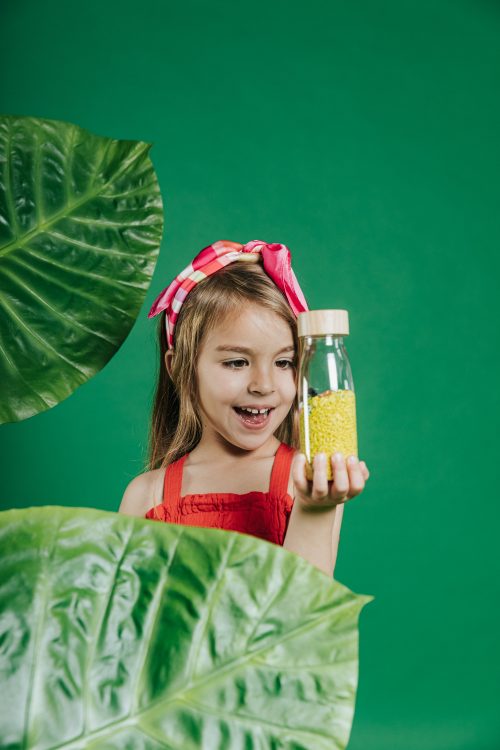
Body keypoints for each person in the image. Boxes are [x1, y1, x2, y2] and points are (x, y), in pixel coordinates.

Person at [119, 239, 370, 577]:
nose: (263, 385)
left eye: (284, 362)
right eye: (237, 362)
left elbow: (301, 616)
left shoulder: (307, 480)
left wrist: (316, 508)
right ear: (179, 368)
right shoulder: (146, 496)